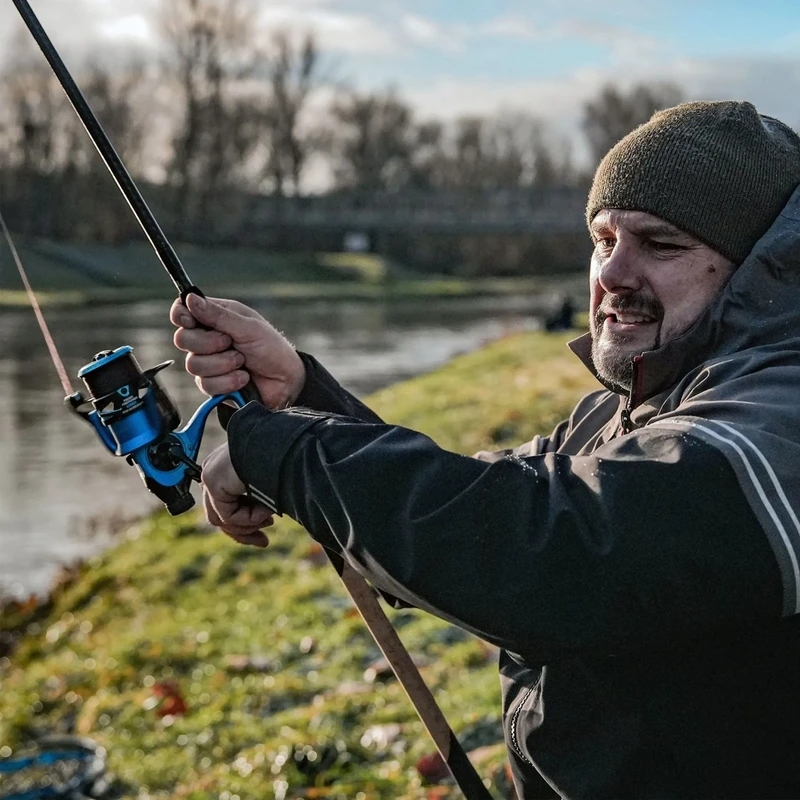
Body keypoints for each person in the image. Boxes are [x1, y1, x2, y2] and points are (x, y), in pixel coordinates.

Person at [170, 101, 800, 799]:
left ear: (755, 268)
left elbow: (558, 554)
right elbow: (479, 511)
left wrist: (286, 455)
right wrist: (306, 400)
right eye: (603, 239)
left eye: (660, 245)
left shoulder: (782, 413)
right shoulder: (626, 411)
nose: (611, 275)